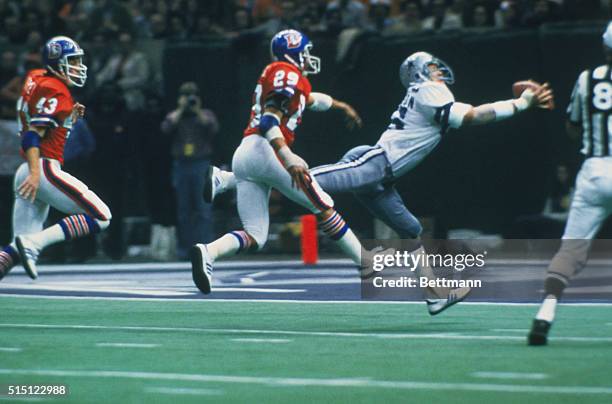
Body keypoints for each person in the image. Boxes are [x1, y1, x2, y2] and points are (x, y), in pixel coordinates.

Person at [206, 50, 553, 313]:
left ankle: (433, 293)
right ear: (420, 73)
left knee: (412, 228)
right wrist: (521, 103)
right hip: (376, 163)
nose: (438, 70)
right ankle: (227, 178)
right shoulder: (429, 89)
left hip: (382, 176)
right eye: (431, 66)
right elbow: (473, 117)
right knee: (307, 181)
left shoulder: (429, 92)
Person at [192, 29, 380, 299]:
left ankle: (209, 250)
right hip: (267, 150)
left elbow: (309, 99)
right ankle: (366, 264)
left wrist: (341, 106)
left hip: (245, 153)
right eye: (305, 52)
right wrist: (288, 156)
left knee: (255, 235)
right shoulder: (288, 73)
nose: (308, 57)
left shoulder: (287, 77)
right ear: (293, 52)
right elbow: (270, 119)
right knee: (323, 205)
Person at [528, 21, 612, 346]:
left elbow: (573, 128)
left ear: (605, 48)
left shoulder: (587, 79)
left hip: (593, 172)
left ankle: (545, 313)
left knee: (571, 249)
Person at [0, 36, 111, 281]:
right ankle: (35, 242)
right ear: (56, 63)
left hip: (25, 170)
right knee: (101, 216)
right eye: (72, 62)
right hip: (41, 167)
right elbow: (32, 135)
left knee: (13, 251)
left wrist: (67, 120)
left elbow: (35, 116)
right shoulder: (57, 91)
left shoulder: (36, 77)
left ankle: (27, 244)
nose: (77, 67)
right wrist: (36, 174)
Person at [161, 82, 218, 260]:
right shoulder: (175, 116)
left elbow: (213, 128)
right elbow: (165, 128)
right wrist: (181, 108)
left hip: (200, 164)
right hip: (181, 165)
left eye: (193, 96)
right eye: (186, 96)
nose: (190, 99)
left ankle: (207, 248)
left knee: (203, 209)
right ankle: (184, 250)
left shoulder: (206, 114)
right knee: (183, 210)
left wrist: (197, 110)